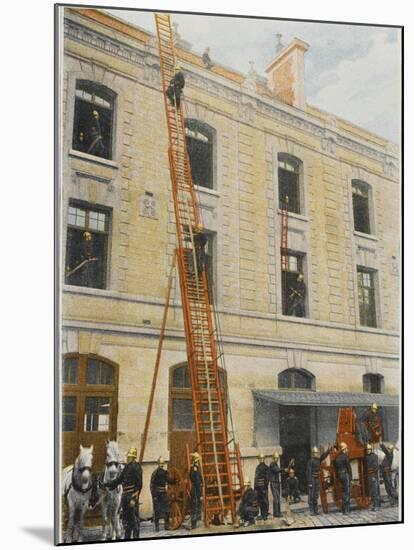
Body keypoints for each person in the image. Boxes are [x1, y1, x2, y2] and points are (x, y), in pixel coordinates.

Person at [106, 447, 142, 539]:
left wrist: (134, 497)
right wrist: (109, 484)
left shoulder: (136, 466)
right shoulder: (126, 467)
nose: (127, 458)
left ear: (132, 457)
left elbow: (139, 484)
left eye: (128, 456)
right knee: (126, 519)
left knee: (134, 519)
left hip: (131, 496)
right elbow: (119, 480)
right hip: (125, 496)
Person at [150, 457, 176, 532]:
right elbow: (152, 485)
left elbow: (169, 480)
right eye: (160, 463)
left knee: (167, 510)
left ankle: (166, 525)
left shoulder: (165, 472)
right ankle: (157, 526)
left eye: (162, 464)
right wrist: (154, 496)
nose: (161, 465)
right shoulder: (155, 473)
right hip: (157, 494)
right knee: (157, 511)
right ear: (158, 464)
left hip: (164, 493)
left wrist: (174, 481)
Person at [306, 445, 331, 515]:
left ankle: (316, 510)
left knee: (316, 495)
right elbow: (308, 472)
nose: (316, 454)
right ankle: (311, 510)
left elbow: (323, 456)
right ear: (313, 454)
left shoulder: (318, 460)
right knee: (311, 496)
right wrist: (310, 482)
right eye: (315, 453)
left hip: (317, 479)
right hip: (312, 480)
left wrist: (328, 450)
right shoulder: (310, 462)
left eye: (317, 453)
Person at [334, 442, 352, 515]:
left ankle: (344, 509)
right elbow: (349, 468)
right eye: (346, 449)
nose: (347, 450)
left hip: (340, 475)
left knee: (343, 493)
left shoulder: (337, 458)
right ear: (344, 449)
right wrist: (351, 477)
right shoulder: (345, 457)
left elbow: (336, 469)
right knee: (347, 492)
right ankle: (347, 510)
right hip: (345, 474)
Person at [380, 442, 398, 507]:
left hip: (387, 474)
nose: (388, 450)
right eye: (388, 449)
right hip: (385, 473)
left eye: (389, 449)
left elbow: (385, 451)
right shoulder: (387, 456)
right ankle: (392, 502)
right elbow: (383, 465)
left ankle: (395, 501)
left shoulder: (389, 455)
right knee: (387, 488)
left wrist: (382, 445)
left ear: (391, 450)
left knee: (389, 487)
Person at [189, 452, 203, 529]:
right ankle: (193, 524)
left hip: (195, 488)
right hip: (195, 490)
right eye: (198, 460)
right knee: (195, 506)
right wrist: (200, 494)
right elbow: (197, 482)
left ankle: (195, 522)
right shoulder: (195, 469)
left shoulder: (194, 468)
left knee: (195, 505)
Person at [365, 443, 380, 511]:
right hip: (369, 475)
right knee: (371, 491)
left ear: (371, 449)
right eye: (367, 449)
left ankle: (377, 505)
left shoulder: (374, 456)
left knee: (375, 491)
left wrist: (374, 476)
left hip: (373, 475)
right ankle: (374, 505)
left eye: (369, 449)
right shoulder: (366, 457)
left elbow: (376, 467)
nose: (368, 451)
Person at [254, 452, 269, 520]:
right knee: (260, 501)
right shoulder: (257, 467)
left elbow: (267, 478)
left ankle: (265, 515)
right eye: (260, 459)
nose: (261, 460)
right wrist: (255, 488)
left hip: (263, 488)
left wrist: (265, 487)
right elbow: (256, 478)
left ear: (264, 459)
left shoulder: (266, 468)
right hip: (258, 488)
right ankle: (262, 514)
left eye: (262, 458)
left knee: (265, 501)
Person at [268, 452, 283, 517]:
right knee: (276, 498)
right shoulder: (272, 464)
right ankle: (276, 513)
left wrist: (284, 470)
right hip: (273, 483)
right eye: (276, 458)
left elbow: (278, 471)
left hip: (277, 483)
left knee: (278, 498)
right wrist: (283, 469)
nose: (277, 459)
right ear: (273, 458)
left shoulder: (276, 464)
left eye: (277, 458)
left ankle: (278, 512)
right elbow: (276, 470)